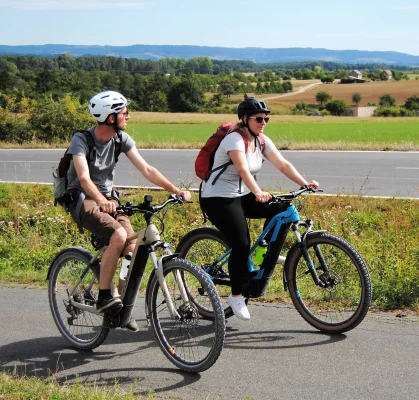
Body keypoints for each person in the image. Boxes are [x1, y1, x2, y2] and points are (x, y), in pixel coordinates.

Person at [65, 90, 191, 331]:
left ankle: (121, 307)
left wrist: (176, 190)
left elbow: (147, 169)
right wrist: (101, 200)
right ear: (110, 117)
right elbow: (83, 178)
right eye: (124, 112)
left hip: (108, 199)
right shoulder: (81, 140)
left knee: (132, 248)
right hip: (82, 199)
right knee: (119, 235)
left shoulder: (120, 139)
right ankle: (105, 296)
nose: (128, 116)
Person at [200, 97, 318, 321]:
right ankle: (236, 296)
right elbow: (243, 170)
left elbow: (283, 164)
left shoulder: (261, 140)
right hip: (218, 198)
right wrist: (258, 192)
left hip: (242, 195)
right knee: (241, 244)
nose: (263, 122)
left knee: (281, 209)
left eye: (266, 119)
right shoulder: (234, 139)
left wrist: (305, 184)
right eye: (259, 119)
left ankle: (264, 251)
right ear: (245, 119)